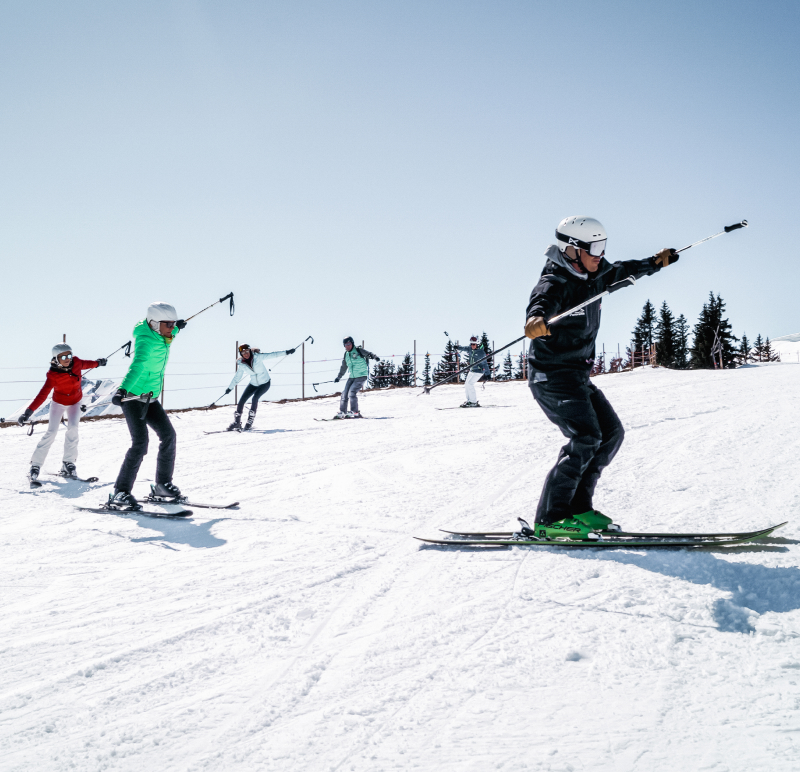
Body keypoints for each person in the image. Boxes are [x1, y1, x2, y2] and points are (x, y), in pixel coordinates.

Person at [524, 216, 679, 540]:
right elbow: (541, 302)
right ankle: (551, 519)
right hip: (551, 375)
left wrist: (655, 263)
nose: (600, 254)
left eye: (603, 246)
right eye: (594, 248)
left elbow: (623, 271)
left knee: (610, 433)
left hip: (576, 375)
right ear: (572, 249)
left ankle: (578, 508)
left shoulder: (593, 275)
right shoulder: (556, 282)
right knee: (585, 437)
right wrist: (536, 319)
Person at [107, 302, 187, 510]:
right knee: (140, 444)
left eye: (173, 324)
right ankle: (120, 492)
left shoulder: (163, 336)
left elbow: (171, 333)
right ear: (153, 324)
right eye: (168, 324)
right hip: (132, 398)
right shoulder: (146, 341)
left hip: (150, 398)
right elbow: (138, 365)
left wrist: (178, 327)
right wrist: (122, 390)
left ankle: (162, 485)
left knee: (169, 436)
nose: (171, 327)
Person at [19, 344, 106, 482]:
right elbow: (42, 395)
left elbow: (88, 364)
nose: (67, 359)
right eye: (63, 356)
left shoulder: (76, 362)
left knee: (73, 429)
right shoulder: (53, 375)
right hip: (58, 403)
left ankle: (68, 463)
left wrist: (98, 363)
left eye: (69, 355)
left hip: (75, 403)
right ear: (56, 358)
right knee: (51, 432)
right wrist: (28, 412)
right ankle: (35, 465)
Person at [223, 343, 296, 431]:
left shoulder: (258, 357)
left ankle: (250, 422)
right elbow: (237, 377)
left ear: (250, 351)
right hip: (253, 384)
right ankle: (237, 422)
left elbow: (273, 354)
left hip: (265, 383)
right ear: (241, 354)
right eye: (243, 353)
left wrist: (287, 352)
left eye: (247, 351)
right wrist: (230, 388)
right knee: (241, 400)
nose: (246, 354)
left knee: (255, 398)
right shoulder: (242, 364)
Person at [333, 337, 379, 418]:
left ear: (352, 343)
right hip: (352, 377)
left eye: (349, 344)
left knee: (352, 392)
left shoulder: (358, 350)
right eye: (346, 345)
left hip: (361, 375)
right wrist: (338, 377)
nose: (347, 346)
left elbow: (369, 354)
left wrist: (375, 357)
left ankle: (355, 411)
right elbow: (343, 367)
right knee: (344, 394)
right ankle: (342, 412)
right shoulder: (346, 354)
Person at [454, 336, 491, 407]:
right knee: (467, 384)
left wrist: (488, 374)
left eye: (474, 344)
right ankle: (469, 401)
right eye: (471, 344)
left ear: (477, 344)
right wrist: (457, 347)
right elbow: (464, 348)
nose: (472, 346)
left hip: (479, 371)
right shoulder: (470, 349)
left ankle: (473, 402)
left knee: (470, 384)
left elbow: (485, 364)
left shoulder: (481, 352)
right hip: (472, 370)